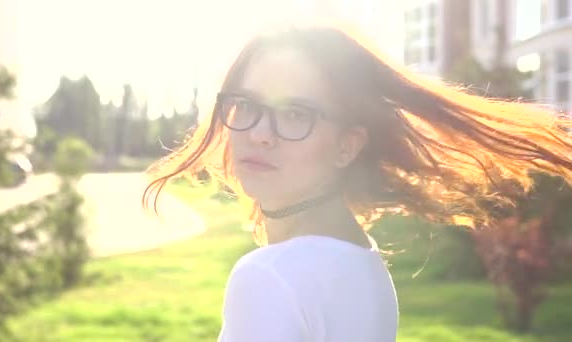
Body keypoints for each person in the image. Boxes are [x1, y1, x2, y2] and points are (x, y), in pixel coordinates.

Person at [143, 25, 572, 341]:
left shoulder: (270, 278)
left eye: (296, 114)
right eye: (246, 105)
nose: (260, 133)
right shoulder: (363, 260)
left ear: (348, 146)